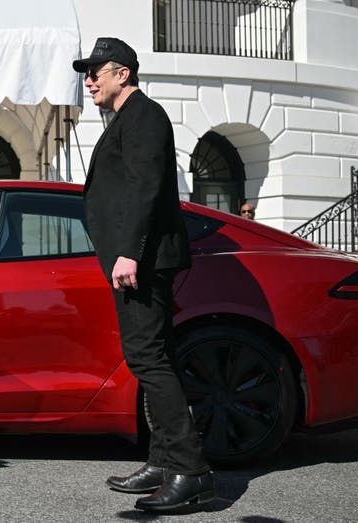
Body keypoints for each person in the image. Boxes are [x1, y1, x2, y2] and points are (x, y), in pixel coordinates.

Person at [72, 37, 215, 512]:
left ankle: (191, 471)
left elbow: (145, 186)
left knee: (147, 358)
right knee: (157, 357)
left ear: (123, 74)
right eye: (85, 72)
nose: (88, 80)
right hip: (141, 257)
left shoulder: (144, 116)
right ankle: (161, 461)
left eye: (96, 71)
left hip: (143, 260)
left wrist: (129, 252)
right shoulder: (128, 119)